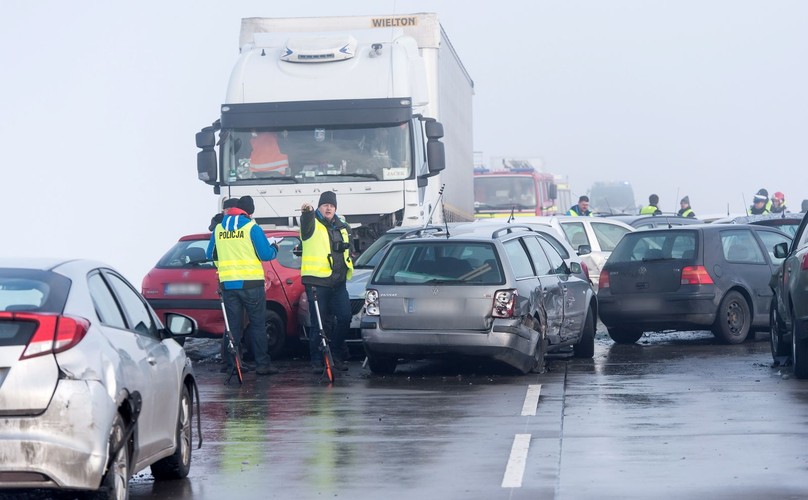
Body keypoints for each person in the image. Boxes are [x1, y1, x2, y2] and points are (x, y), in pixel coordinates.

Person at [206, 195, 279, 376]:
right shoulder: (251, 227)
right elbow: (265, 254)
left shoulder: (219, 228)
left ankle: (233, 364)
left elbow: (210, 254)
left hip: (228, 285)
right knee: (258, 324)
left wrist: (225, 265)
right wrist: (275, 248)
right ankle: (262, 364)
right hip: (251, 284)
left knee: (233, 326)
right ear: (249, 212)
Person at [300, 191, 353, 373]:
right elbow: (306, 226)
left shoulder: (342, 226)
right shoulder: (311, 223)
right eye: (325, 205)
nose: (328, 208)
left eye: (331, 205)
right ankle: (317, 360)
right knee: (318, 323)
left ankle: (335, 353)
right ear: (319, 207)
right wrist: (307, 213)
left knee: (345, 317)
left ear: (335, 208)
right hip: (317, 282)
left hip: (338, 283)